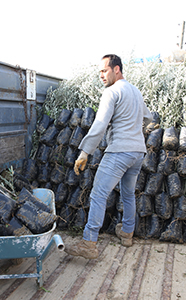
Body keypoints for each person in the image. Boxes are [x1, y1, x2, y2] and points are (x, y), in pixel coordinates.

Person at [67, 54, 154, 259]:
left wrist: (84, 152)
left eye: (104, 70)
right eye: (99, 72)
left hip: (119, 152)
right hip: (137, 152)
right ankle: (127, 233)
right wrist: (135, 129)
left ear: (117, 69)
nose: (101, 76)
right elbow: (149, 117)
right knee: (128, 194)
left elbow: (99, 125)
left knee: (98, 194)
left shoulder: (112, 92)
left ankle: (89, 242)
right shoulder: (136, 91)